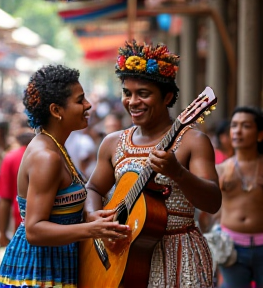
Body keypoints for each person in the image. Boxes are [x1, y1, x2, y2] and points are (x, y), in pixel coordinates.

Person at [84, 40, 222, 287]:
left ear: (167, 96)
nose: (132, 102)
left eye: (143, 94)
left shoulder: (193, 141)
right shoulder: (112, 142)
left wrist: (178, 173)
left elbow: (212, 202)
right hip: (123, 258)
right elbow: (93, 188)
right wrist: (95, 218)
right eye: (127, 93)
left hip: (179, 254)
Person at [0, 64, 129, 288]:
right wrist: (91, 230)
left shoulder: (55, 146)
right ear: (56, 111)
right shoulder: (46, 157)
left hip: (53, 268)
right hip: (37, 274)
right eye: (80, 101)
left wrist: (90, 218)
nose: (88, 105)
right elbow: (34, 230)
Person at [216, 106, 263, 288]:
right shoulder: (220, 169)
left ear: (259, 134)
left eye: (246, 126)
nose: (237, 131)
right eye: (234, 125)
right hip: (231, 247)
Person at [0, 121, 34, 247]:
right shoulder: (54, 154)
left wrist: (2, 233)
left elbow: (4, 200)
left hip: (21, 225)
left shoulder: (10, 158)